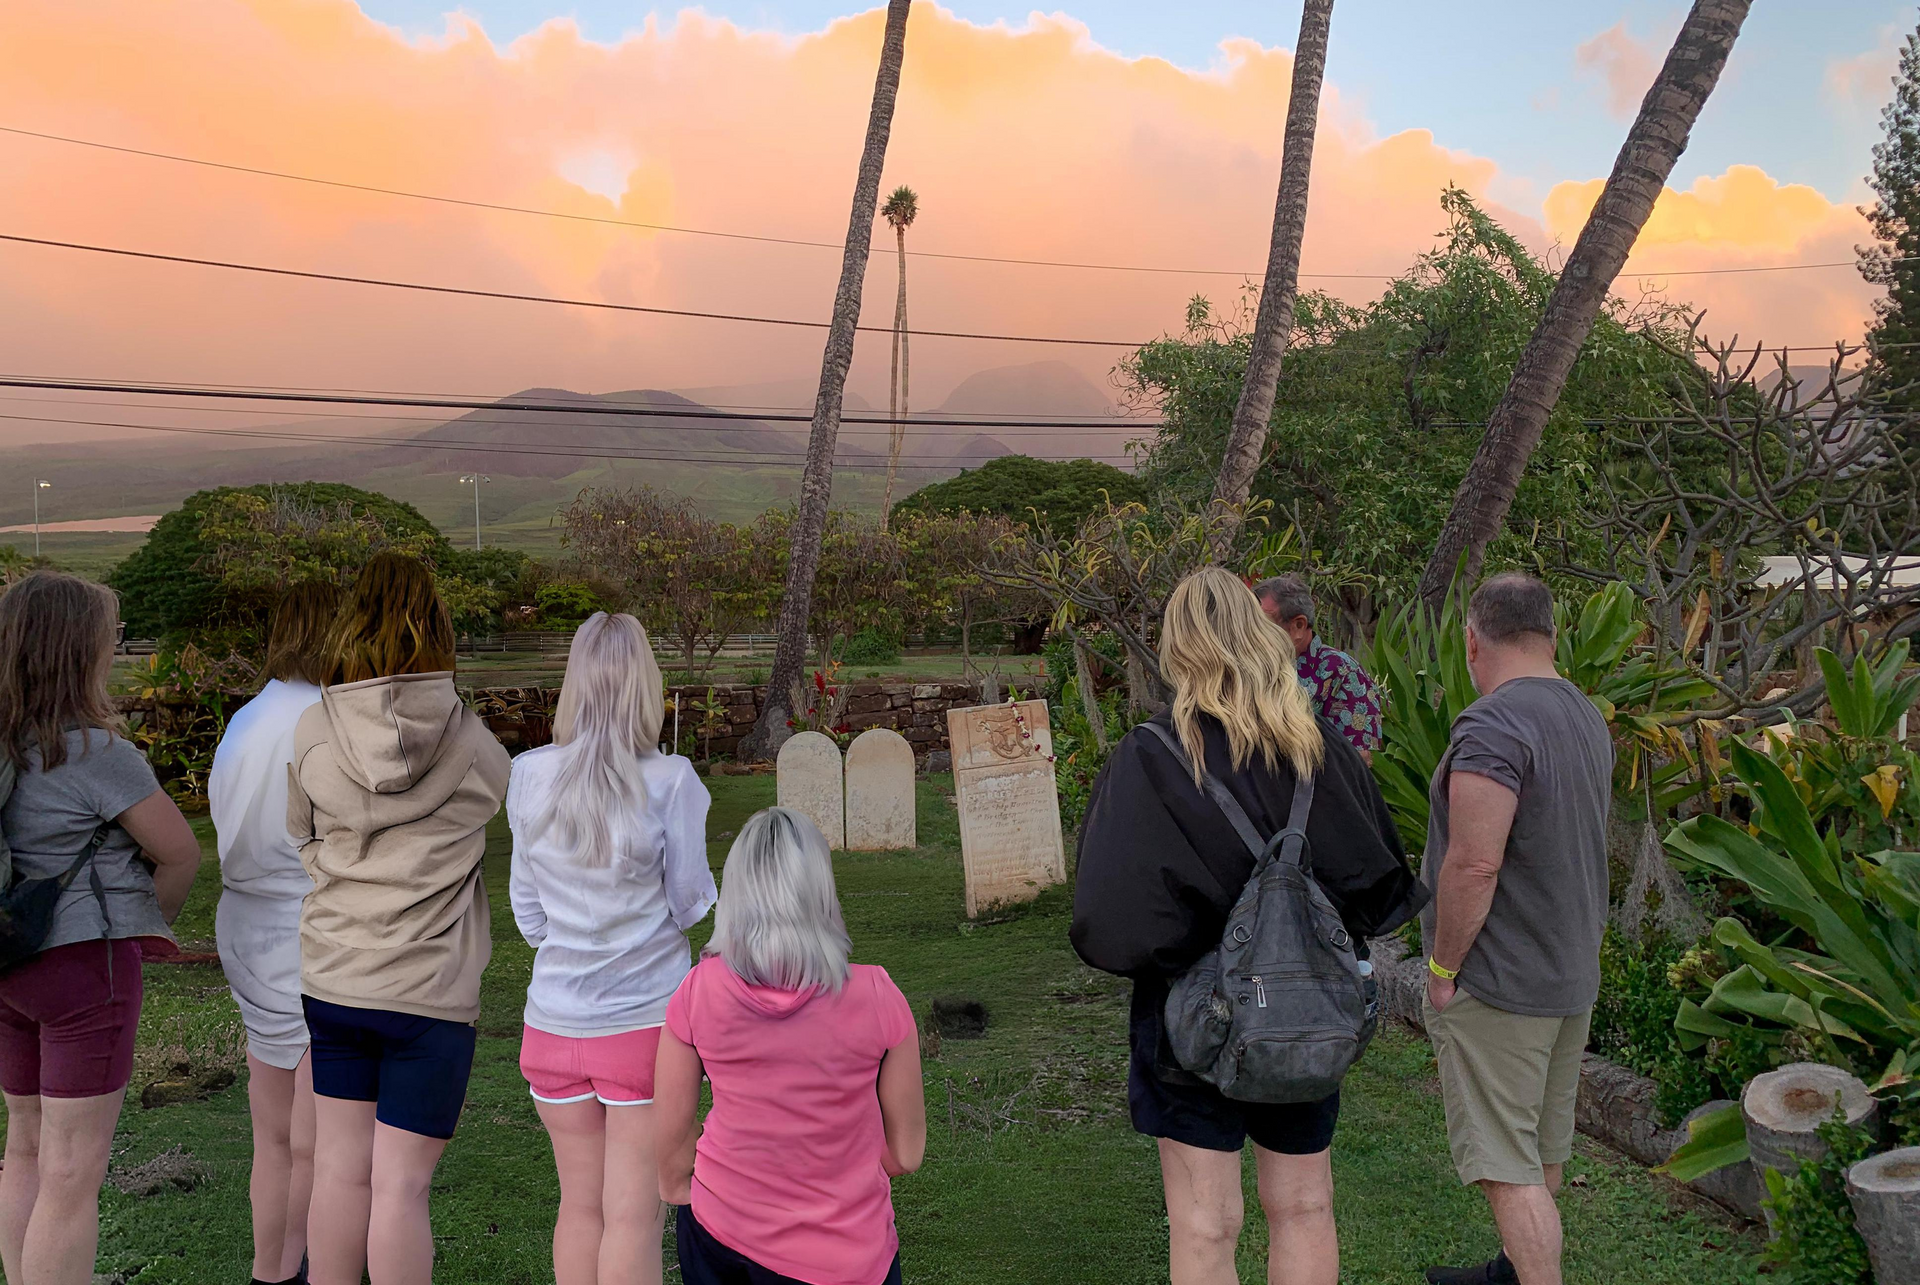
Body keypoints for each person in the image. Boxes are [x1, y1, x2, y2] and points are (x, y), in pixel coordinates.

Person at [1071, 567, 1425, 1285]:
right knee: (1303, 1207)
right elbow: (1378, 880)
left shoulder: (1153, 755)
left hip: (1192, 1011)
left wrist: (1199, 947)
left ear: (1179, 646)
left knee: (1205, 1223)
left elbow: (1109, 918)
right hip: (1302, 1010)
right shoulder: (1314, 745)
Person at [287, 553, 510, 1285]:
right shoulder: (476, 745)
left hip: (335, 975)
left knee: (340, 1173)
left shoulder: (312, 728)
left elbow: (301, 836)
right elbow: (502, 813)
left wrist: (342, 881)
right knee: (401, 1187)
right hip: (429, 990)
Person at [0, 572, 201, 1285]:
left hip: (7, 965)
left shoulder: (5, 747)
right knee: (71, 1173)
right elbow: (180, 851)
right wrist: (149, 921)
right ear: (76, 651)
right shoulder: (94, 753)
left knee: (23, 1148)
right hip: (86, 969)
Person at [508, 612, 717, 1285]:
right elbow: (690, 906)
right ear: (644, 687)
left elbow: (529, 916)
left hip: (552, 1025)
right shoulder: (672, 779)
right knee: (632, 1217)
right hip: (644, 1028)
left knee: (580, 1208)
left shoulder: (528, 774)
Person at [1419, 574, 1613, 1285]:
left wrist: (1442, 972)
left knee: (1506, 1164)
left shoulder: (1492, 724)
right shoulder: (1586, 714)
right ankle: (1508, 1272)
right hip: (1568, 972)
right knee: (1540, 1148)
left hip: (1503, 980)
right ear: (1551, 633)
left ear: (1473, 639)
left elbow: (1473, 863)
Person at [655, 807, 924, 1285]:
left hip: (721, 1233)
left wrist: (683, 1185)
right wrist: (843, 1181)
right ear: (819, 889)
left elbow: (672, 1133)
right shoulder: (879, 996)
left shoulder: (696, 992)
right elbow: (905, 1154)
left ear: (737, 890)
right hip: (848, 1253)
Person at [210, 581, 340, 1285]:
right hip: (308, 926)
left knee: (274, 1136)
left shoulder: (243, 720)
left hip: (245, 922)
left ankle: (271, 1268)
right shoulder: (322, 719)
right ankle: (308, 1268)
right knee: (318, 1140)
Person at [1252, 575, 1384, 763]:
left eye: (1262, 624)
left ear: (1298, 625)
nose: (1252, 633)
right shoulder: (1249, 668)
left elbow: (1358, 758)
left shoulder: (1342, 672)